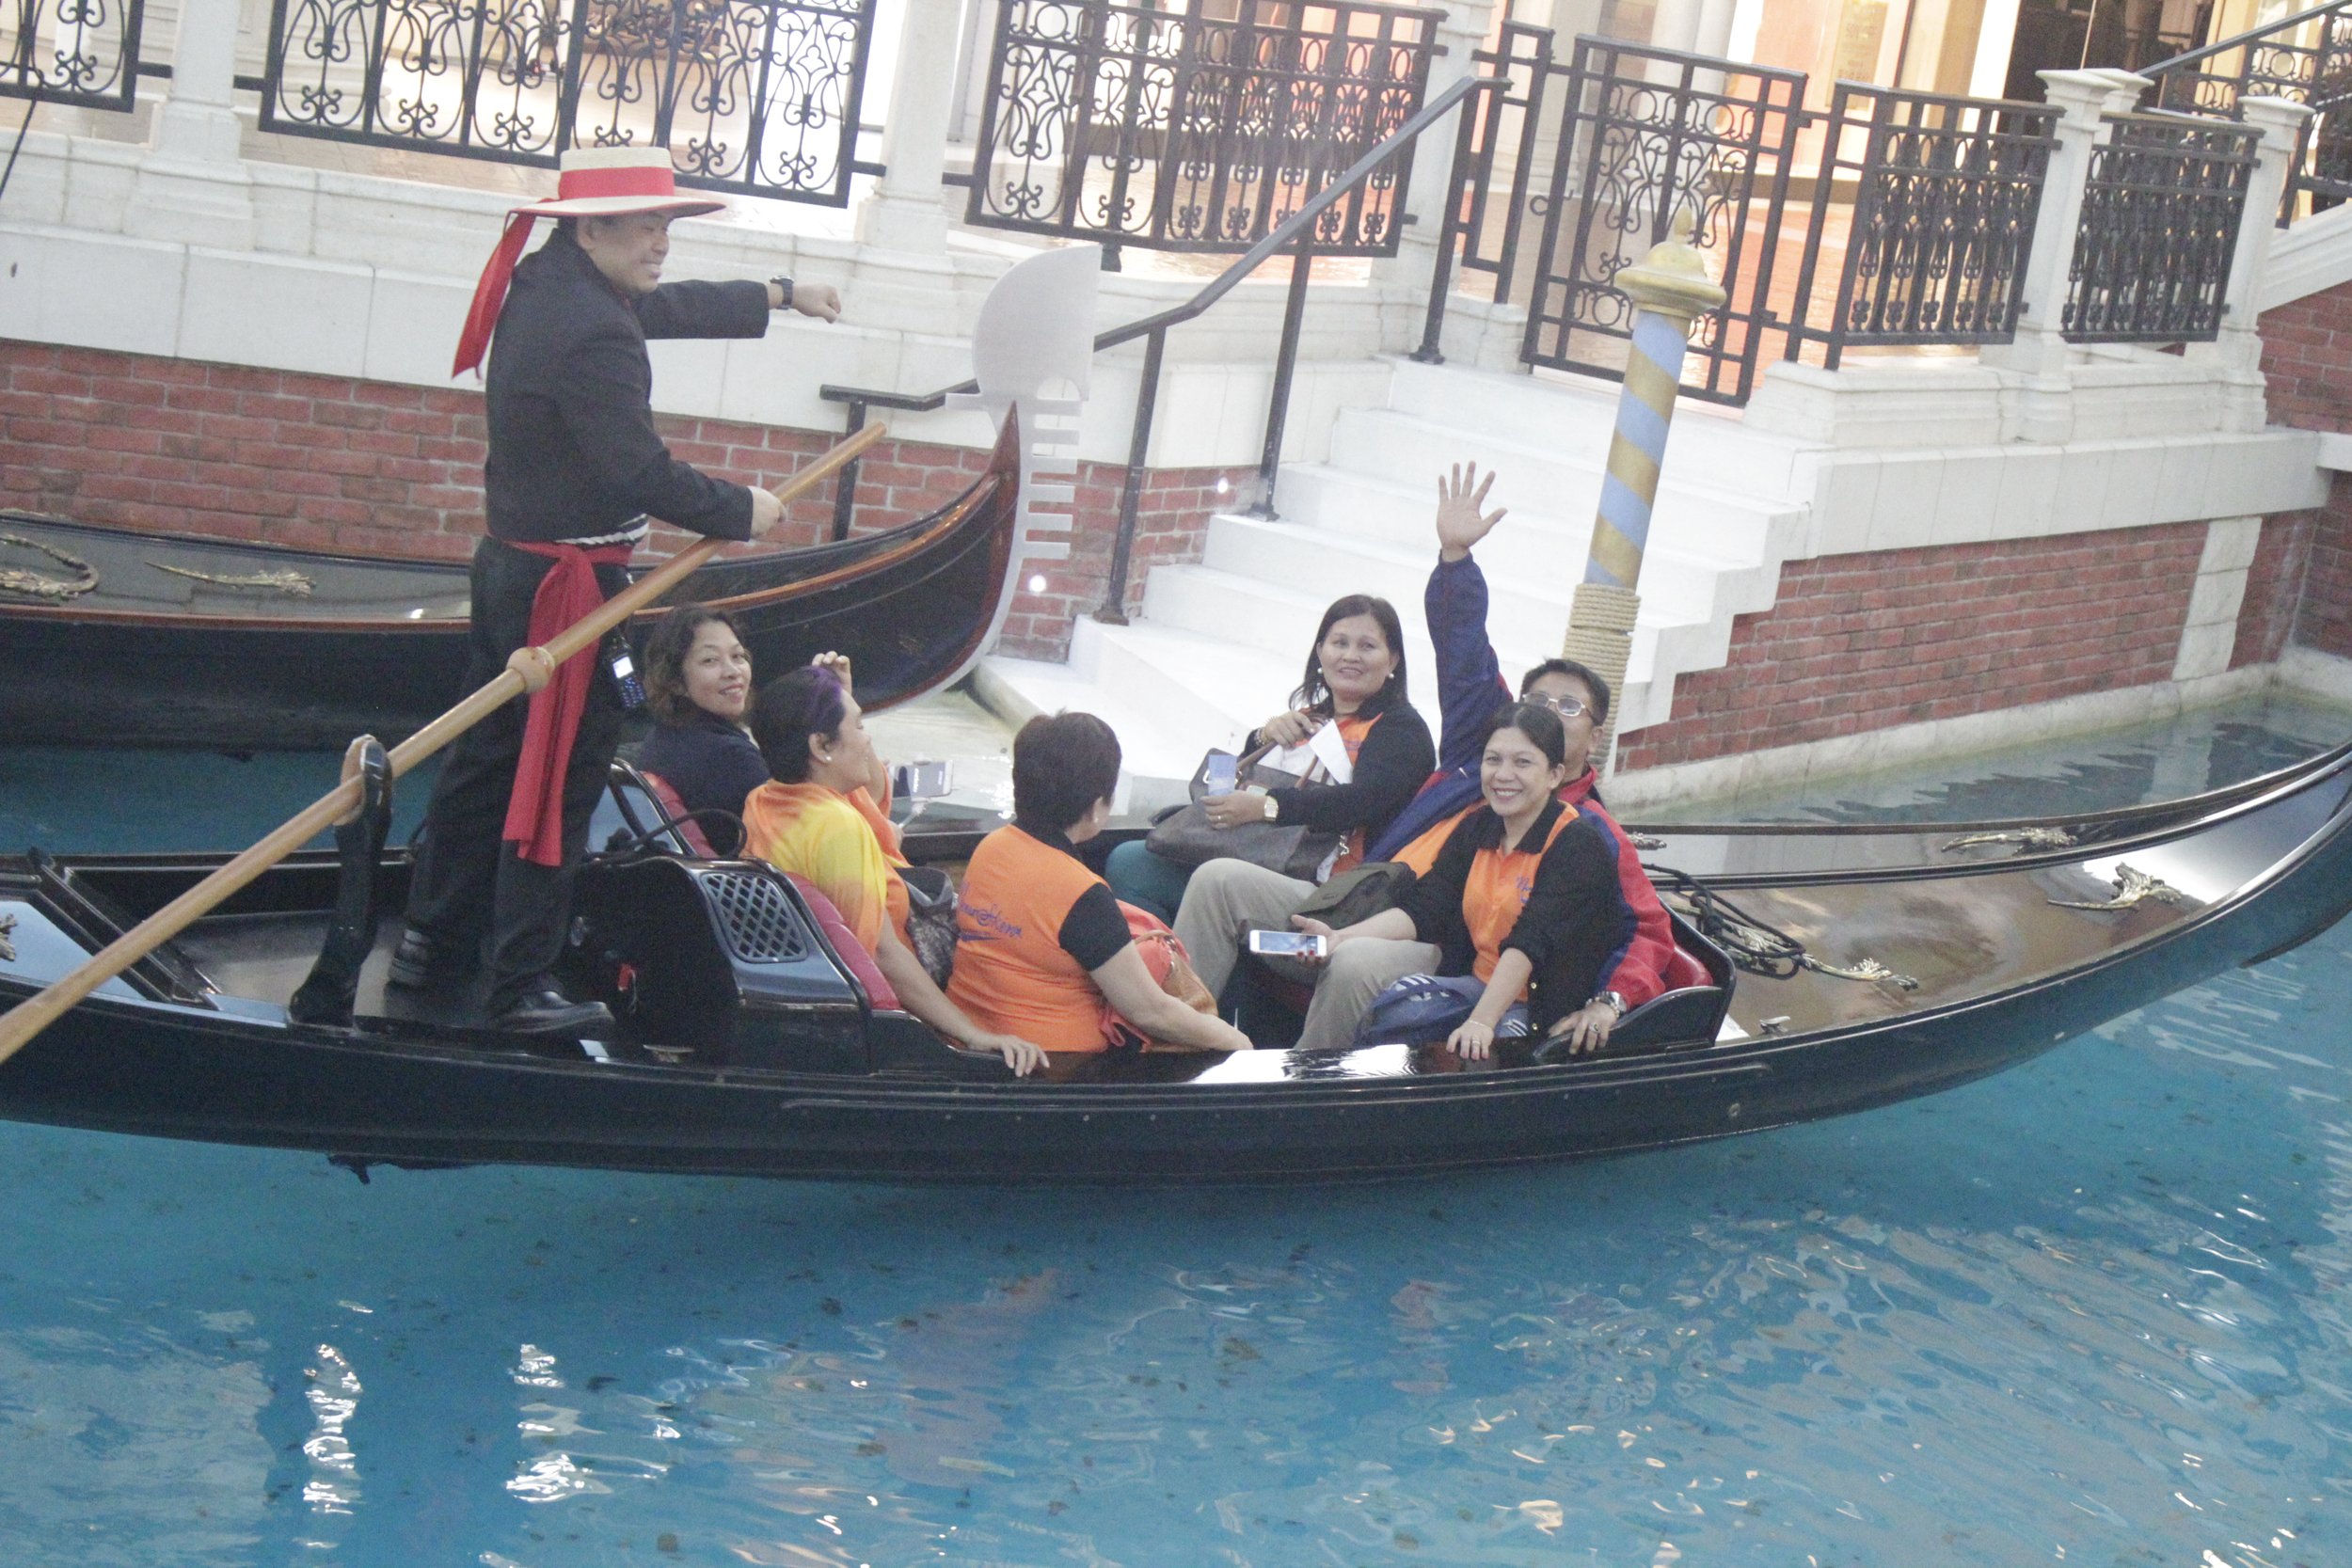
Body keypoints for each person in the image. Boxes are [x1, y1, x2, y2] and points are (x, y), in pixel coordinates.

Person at [391, 146, 844, 1035]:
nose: (661, 240)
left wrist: (778, 294)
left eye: (665, 223)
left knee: (487, 761)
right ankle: (518, 984)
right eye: (646, 225)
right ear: (593, 229)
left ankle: (430, 941)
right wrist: (741, 509)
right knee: (561, 775)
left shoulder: (547, 280)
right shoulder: (592, 330)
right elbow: (639, 471)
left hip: (508, 570)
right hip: (569, 591)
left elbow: (660, 306)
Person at [1364, 464, 1678, 1034]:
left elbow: (1648, 932)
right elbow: (1464, 656)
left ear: (1592, 740)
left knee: (1360, 975)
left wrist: (1609, 1002)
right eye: (1537, 700)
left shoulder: (1590, 835)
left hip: (1469, 970)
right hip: (1383, 895)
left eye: (1569, 706)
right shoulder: (1479, 746)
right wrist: (1456, 559)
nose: (1547, 713)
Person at [740, 667, 1046, 1075]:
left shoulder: (764, 800)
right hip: (903, 1013)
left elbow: (865, 789)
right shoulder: (837, 827)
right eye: (859, 726)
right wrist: (971, 1034)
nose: (867, 739)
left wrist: (842, 700)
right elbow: (879, 955)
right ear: (821, 746)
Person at [1293, 704, 1643, 1058]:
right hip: (1476, 983)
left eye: (1522, 763)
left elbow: (1529, 942)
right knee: (1390, 1018)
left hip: (1540, 1007)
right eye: (1493, 760)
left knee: (1487, 1053)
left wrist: (1481, 1022)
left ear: (1554, 775)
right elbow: (1424, 909)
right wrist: (1341, 937)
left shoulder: (1577, 843)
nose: (1503, 775)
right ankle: (1322, 1073)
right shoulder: (1478, 826)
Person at [950, 713, 1255, 1055]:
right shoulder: (1080, 894)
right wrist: (1233, 1040)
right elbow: (1151, 1012)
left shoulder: (990, 848)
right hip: (1054, 1064)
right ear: (1096, 807)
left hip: (967, 1039)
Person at [632, 607, 765, 855]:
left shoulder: (661, 739)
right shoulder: (731, 758)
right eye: (710, 660)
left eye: (737, 656)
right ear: (675, 681)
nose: (733, 671)